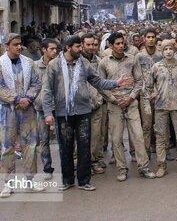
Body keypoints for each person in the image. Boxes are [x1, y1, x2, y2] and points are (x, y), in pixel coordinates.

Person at [42, 35, 133, 191]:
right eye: (78, 47)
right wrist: (48, 112)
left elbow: (97, 81)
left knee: (84, 146)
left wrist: (116, 83)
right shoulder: (54, 65)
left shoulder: (84, 63)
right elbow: (47, 90)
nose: (81, 49)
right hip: (63, 113)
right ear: (68, 47)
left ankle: (84, 181)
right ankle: (67, 180)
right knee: (65, 147)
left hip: (83, 111)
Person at [97, 32, 156, 182]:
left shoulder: (132, 59)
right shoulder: (104, 63)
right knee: (116, 139)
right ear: (110, 45)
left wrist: (130, 98)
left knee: (138, 136)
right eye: (117, 44)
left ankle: (144, 167)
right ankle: (121, 169)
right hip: (114, 104)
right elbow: (100, 85)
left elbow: (139, 80)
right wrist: (113, 99)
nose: (121, 46)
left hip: (131, 103)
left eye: (122, 43)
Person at [0, 33, 42, 198]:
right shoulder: (1, 64)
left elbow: (37, 82)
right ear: (7, 46)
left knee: (30, 145)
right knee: (6, 148)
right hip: (6, 111)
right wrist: (16, 99)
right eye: (15, 44)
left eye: (20, 44)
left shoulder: (29, 63)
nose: (19, 47)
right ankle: (7, 184)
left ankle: (30, 181)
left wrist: (28, 98)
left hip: (27, 110)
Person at [145, 40, 177, 177]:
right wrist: (148, 102)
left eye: (170, 48)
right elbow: (147, 86)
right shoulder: (156, 67)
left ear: (174, 50)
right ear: (162, 51)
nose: (168, 51)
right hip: (160, 106)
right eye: (165, 49)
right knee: (160, 136)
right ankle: (161, 165)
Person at [135, 28, 163, 158]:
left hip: (161, 95)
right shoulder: (139, 56)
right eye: (148, 37)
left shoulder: (161, 55)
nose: (151, 39)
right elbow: (137, 77)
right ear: (144, 38)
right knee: (146, 126)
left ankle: (161, 150)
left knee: (160, 125)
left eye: (153, 37)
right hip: (145, 95)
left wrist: (157, 91)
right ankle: (145, 153)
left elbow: (164, 75)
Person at [34, 38, 59, 180]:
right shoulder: (35, 66)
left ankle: (67, 167)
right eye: (51, 49)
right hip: (41, 108)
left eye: (56, 49)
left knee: (64, 139)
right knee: (44, 140)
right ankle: (47, 168)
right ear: (43, 49)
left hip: (59, 107)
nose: (55, 51)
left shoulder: (59, 65)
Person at [81, 33, 107, 174]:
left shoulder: (100, 61)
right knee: (82, 137)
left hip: (97, 103)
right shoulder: (76, 62)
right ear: (82, 45)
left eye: (93, 45)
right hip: (80, 106)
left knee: (96, 135)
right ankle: (82, 162)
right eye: (88, 45)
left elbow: (103, 82)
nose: (91, 47)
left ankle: (93, 161)